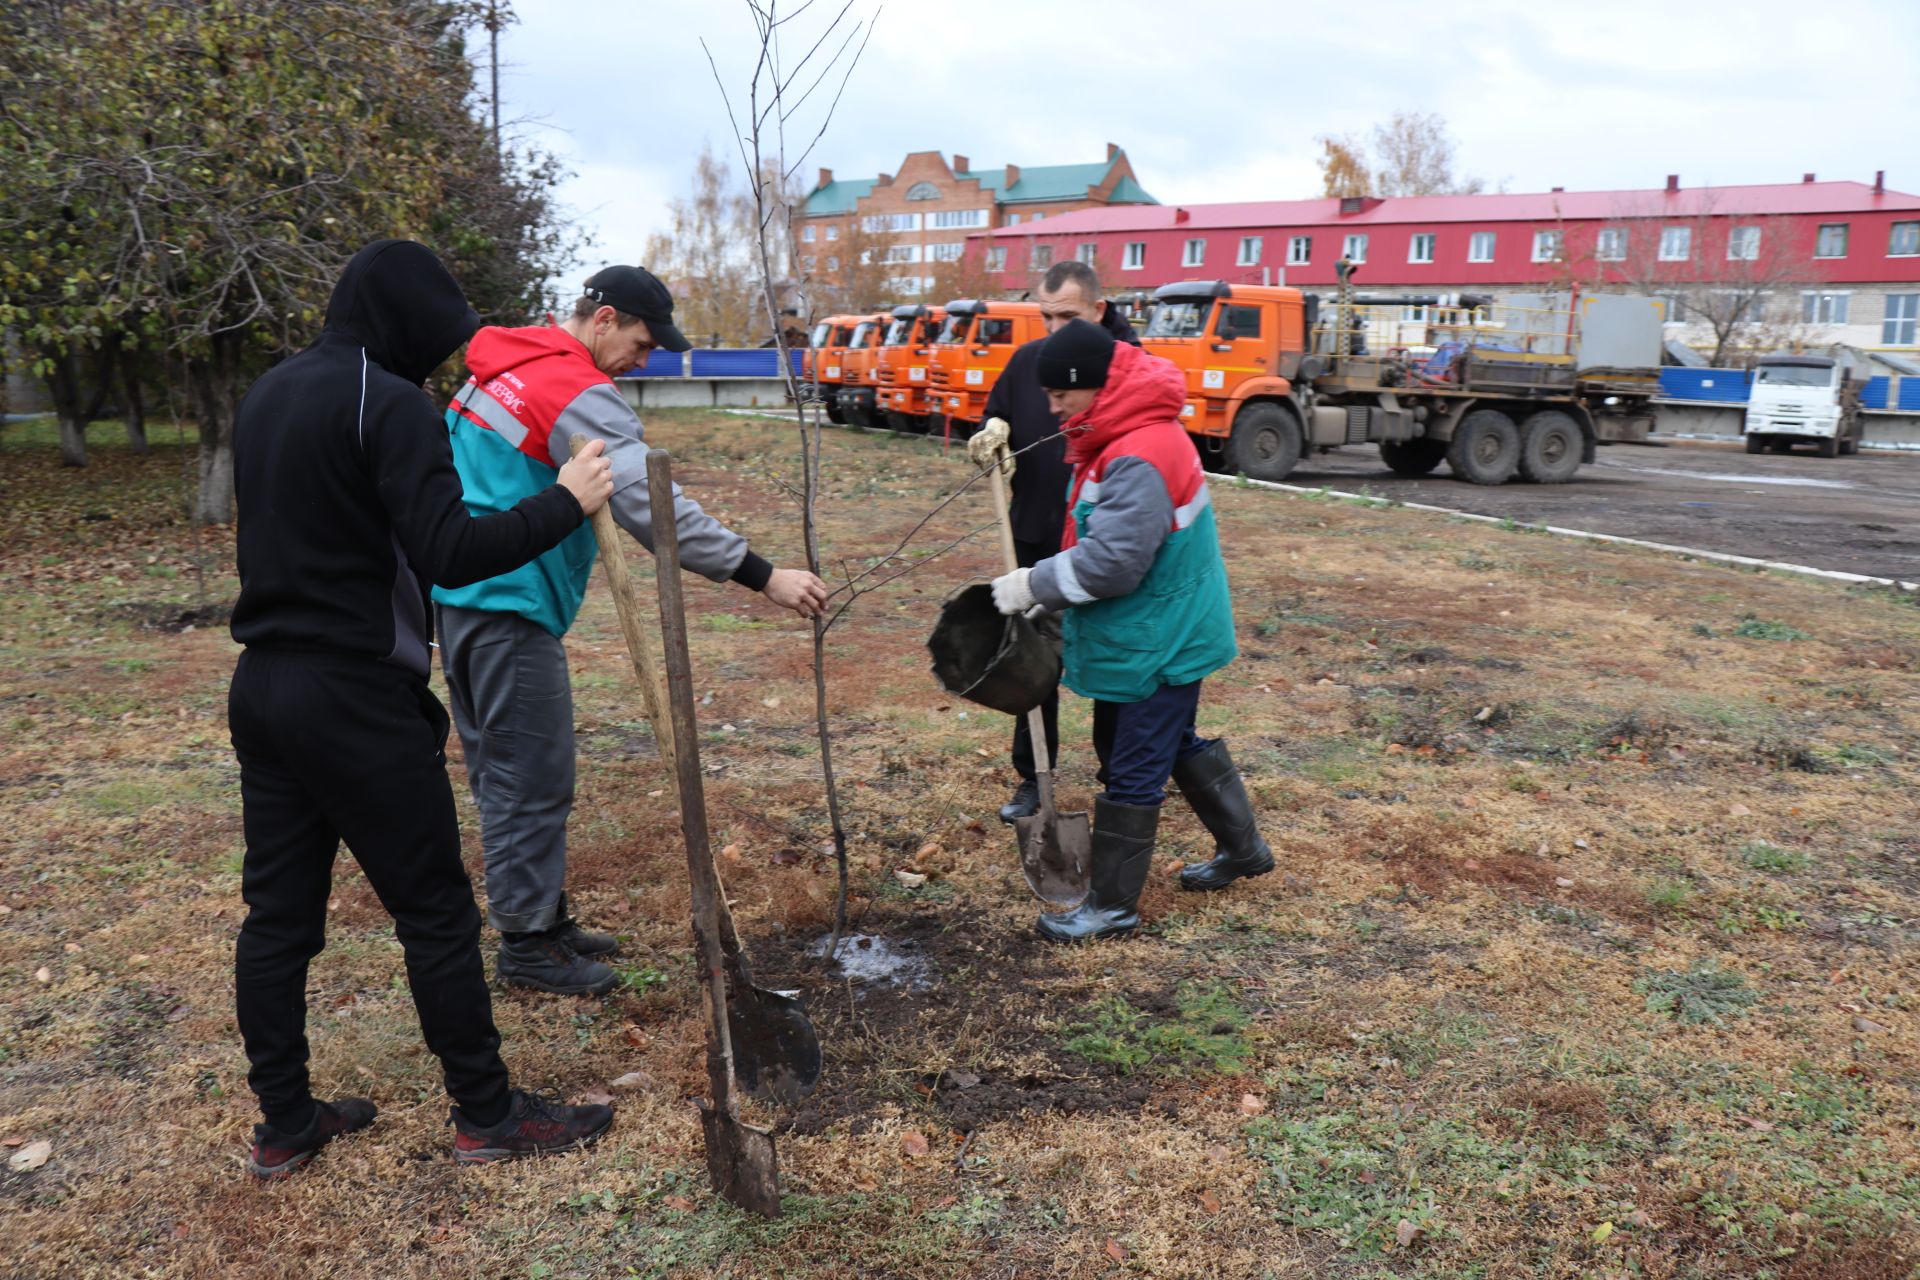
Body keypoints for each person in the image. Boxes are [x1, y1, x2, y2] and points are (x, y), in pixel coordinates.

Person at [229, 239, 618, 1179]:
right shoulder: (388, 401)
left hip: (262, 687)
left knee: (278, 920)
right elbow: (449, 551)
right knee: (437, 914)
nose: (437, 364)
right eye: (434, 343)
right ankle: (488, 1116)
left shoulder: (268, 393)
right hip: (354, 696)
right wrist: (566, 501)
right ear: (403, 324)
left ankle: (285, 1125)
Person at [433, 265, 829, 997]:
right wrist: (762, 574)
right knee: (533, 777)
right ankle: (526, 948)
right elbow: (654, 504)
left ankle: (541, 918)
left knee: (504, 771)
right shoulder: (576, 390)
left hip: (460, 599)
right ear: (605, 318)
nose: (644, 362)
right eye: (642, 344)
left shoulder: (502, 366)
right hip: (509, 607)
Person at [988, 320, 1274, 942]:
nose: (1052, 405)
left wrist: (1033, 584)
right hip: (1154, 626)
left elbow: (1114, 562)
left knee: (1134, 764)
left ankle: (1112, 908)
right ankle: (1245, 851)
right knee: (1166, 741)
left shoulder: (1138, 452)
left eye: (1062, 394)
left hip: (1160, 636)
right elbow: (1100, 541)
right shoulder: (1116, 435)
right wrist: (1057, 602)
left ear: (1095, 386)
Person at [966, 260, 1139, 824]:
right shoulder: (1026, 362)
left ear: (1098, 310)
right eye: (1046, 316)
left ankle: (1121, 777)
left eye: (1068, 316)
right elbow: (1000, 411)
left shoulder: (1127, 369)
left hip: (1102, 540)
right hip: (1037, 533)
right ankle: (1033, 778)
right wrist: (994, 432)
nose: (1056, 328)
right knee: (1033, 659)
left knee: (1114, 658)